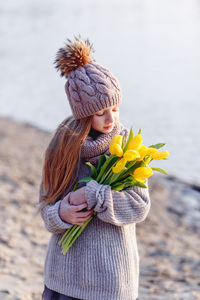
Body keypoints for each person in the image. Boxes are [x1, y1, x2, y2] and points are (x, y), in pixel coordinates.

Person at [38, 36, 151, 300]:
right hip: (64, 279)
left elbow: (139, 205)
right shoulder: (62, 147)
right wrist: (62, 214)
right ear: (84, 113)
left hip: (111, 281)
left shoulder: (127, 146)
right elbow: (46, 208)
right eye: (101, 112)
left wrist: (94, 194)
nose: (111, 118)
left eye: (115, 108)